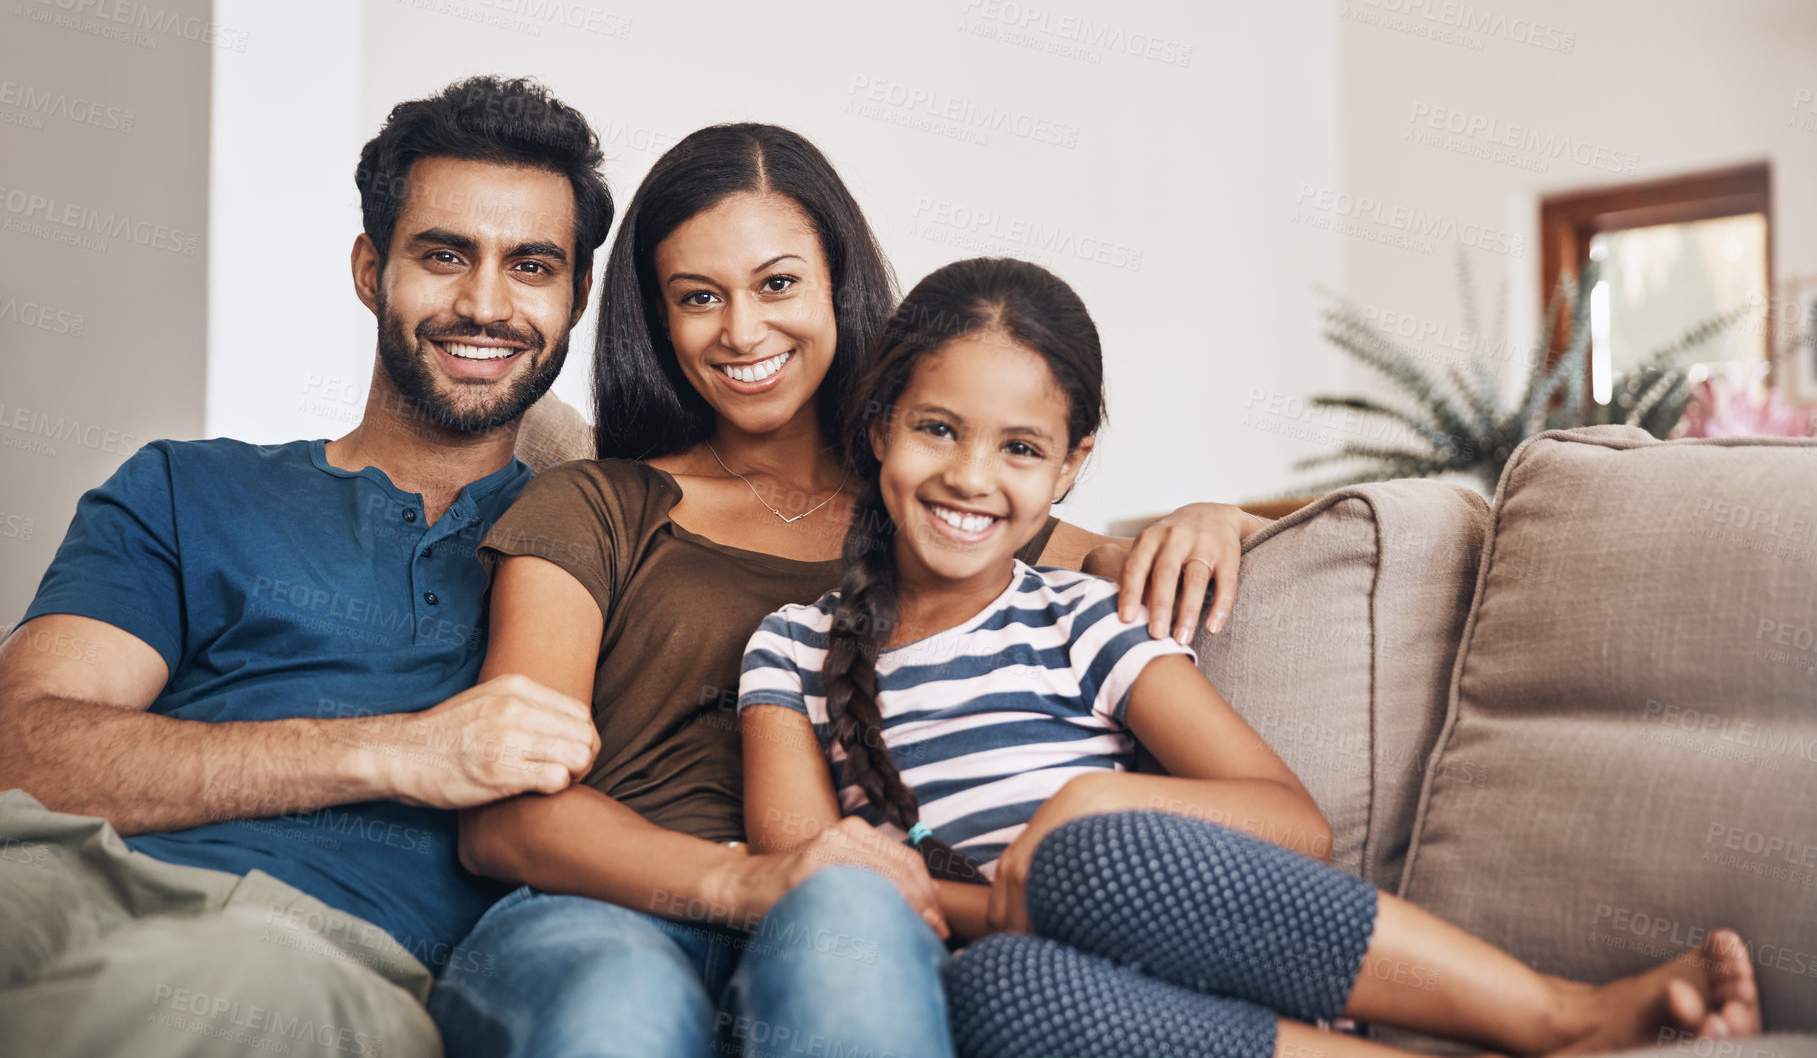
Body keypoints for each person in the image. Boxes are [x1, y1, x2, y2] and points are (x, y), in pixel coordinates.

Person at [735, 256, 1764, 1058]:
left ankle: (1554, 1012)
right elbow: (812, 874)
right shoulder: (790, 650)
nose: (968, 474)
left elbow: (1289, 820)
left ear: (1069, 467)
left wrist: (1078, 823)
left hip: (1182, 936)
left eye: (1018, 446)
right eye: (936, 428)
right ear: (878, 428)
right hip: (1074, 1010)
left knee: (1086, 846)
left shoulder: (1079, 615)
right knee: (998, 989)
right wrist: (1003, 897)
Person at [433, 123, 1268, 1058]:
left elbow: (1145, 556)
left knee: (852, 937)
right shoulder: (594, 503)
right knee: (623, 1007)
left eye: (778, 283)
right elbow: (504, 815)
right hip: (599, 916)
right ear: (659, 321)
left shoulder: (937, 506)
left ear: (839, 284)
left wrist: (1216, 516)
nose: (743, 331)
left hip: (847, 921)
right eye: (698, 297)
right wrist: (749, 879)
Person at [0, 75, 610, 1057]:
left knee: (213, 984)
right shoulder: (181, 487)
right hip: (56, 873)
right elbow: (22, 749)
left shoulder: (598, 544)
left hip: (317, 957)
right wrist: (398, 751)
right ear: (371, 270)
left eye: (531, 265)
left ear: (577, 295)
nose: (485, 303)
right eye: (444, 255)